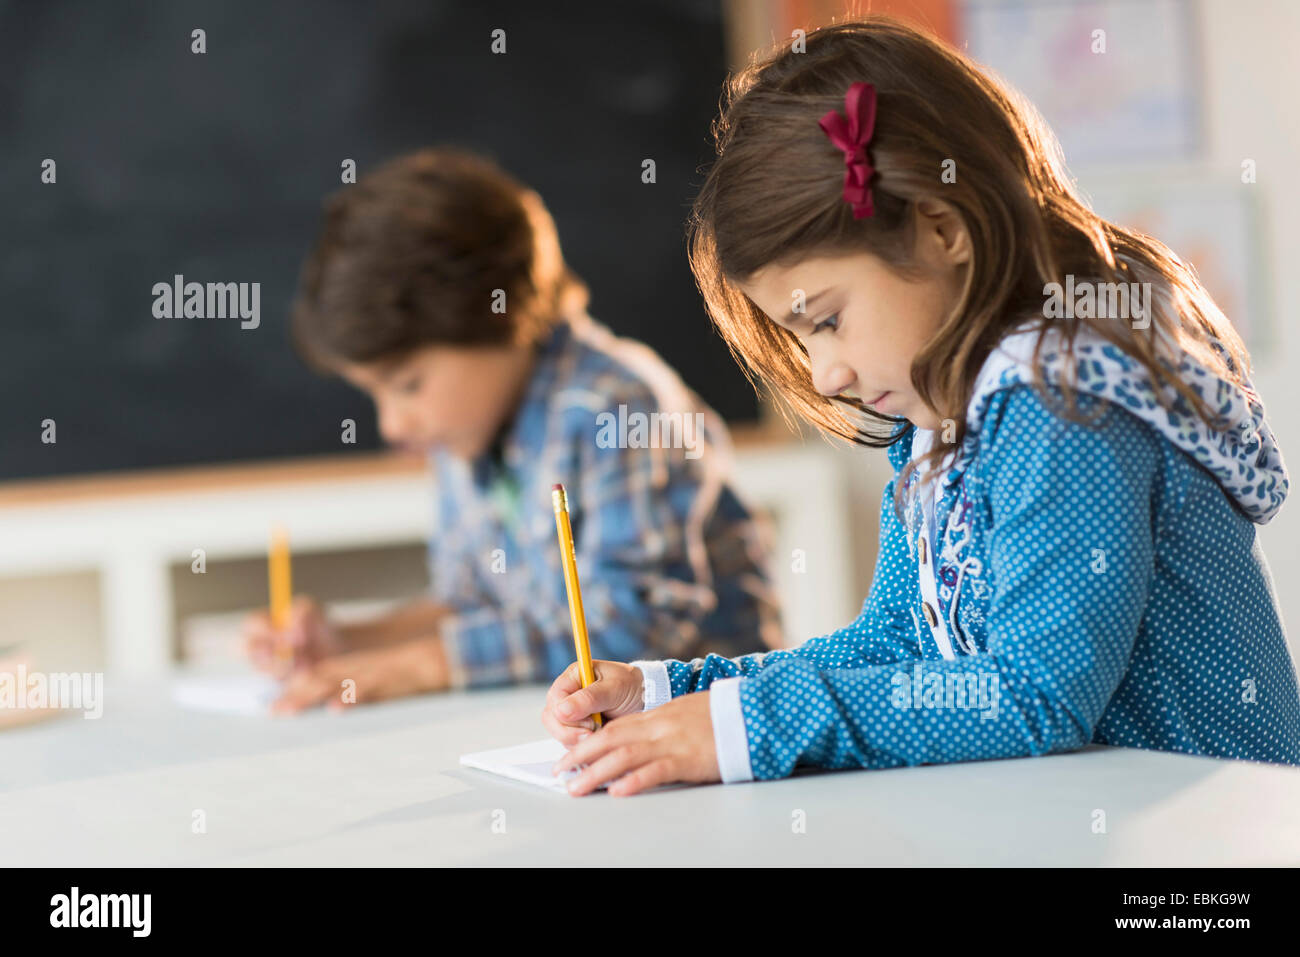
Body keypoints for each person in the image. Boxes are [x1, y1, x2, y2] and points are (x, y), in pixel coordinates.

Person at [541, 16, 1300, 796]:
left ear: (942, 228)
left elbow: (1037, 692)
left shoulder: (1065, 402)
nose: (824, 372)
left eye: (826, 320)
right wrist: (683, 694)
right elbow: (896, 642)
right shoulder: (944, 424)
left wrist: (753, 726)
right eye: (798, 338)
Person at [246, 148, 781, 712]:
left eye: (407, 385)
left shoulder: (616, 409)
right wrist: (350, 643)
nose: (392, 424)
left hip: (707, 731)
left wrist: (425, 664)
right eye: (373, 395)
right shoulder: (469, 432)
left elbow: (637, 629)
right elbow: (474, 604)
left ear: (495, 317)